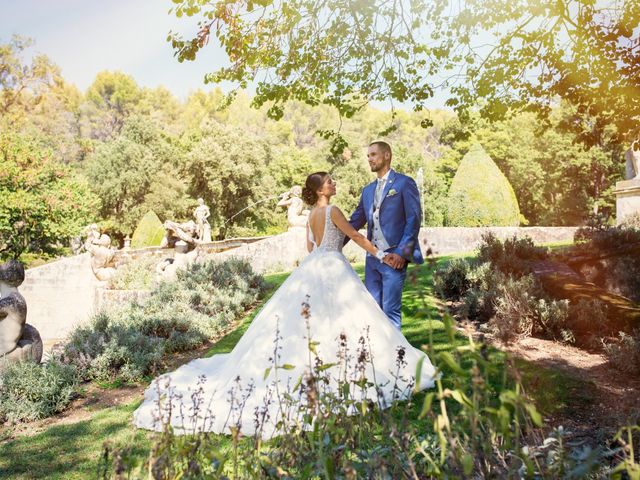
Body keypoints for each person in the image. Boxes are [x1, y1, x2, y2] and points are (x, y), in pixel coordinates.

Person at [133, 172, 436, 437]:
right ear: (320, 190)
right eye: (329, 181)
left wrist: (327, 246)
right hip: (333, 266)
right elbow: (355, 235)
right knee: (347, 316)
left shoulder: (309, 217)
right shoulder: (333, 210)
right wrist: (381, 254)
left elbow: (309, 247)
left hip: (314, 265)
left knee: (314, 321)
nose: (333, 183)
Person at [348, 141, 424, 329]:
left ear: (387, 155)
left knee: (390, 311)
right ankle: (378, 355)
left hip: (393, 257)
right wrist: (331, 244)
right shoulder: (367, 191)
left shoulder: (404, 183)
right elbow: (355, 221)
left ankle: (398, 357)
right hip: (372, 258)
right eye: (368, 156)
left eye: (373, 155)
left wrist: (401, 253)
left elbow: (413, 220)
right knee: (372, 311)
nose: (369, 159)